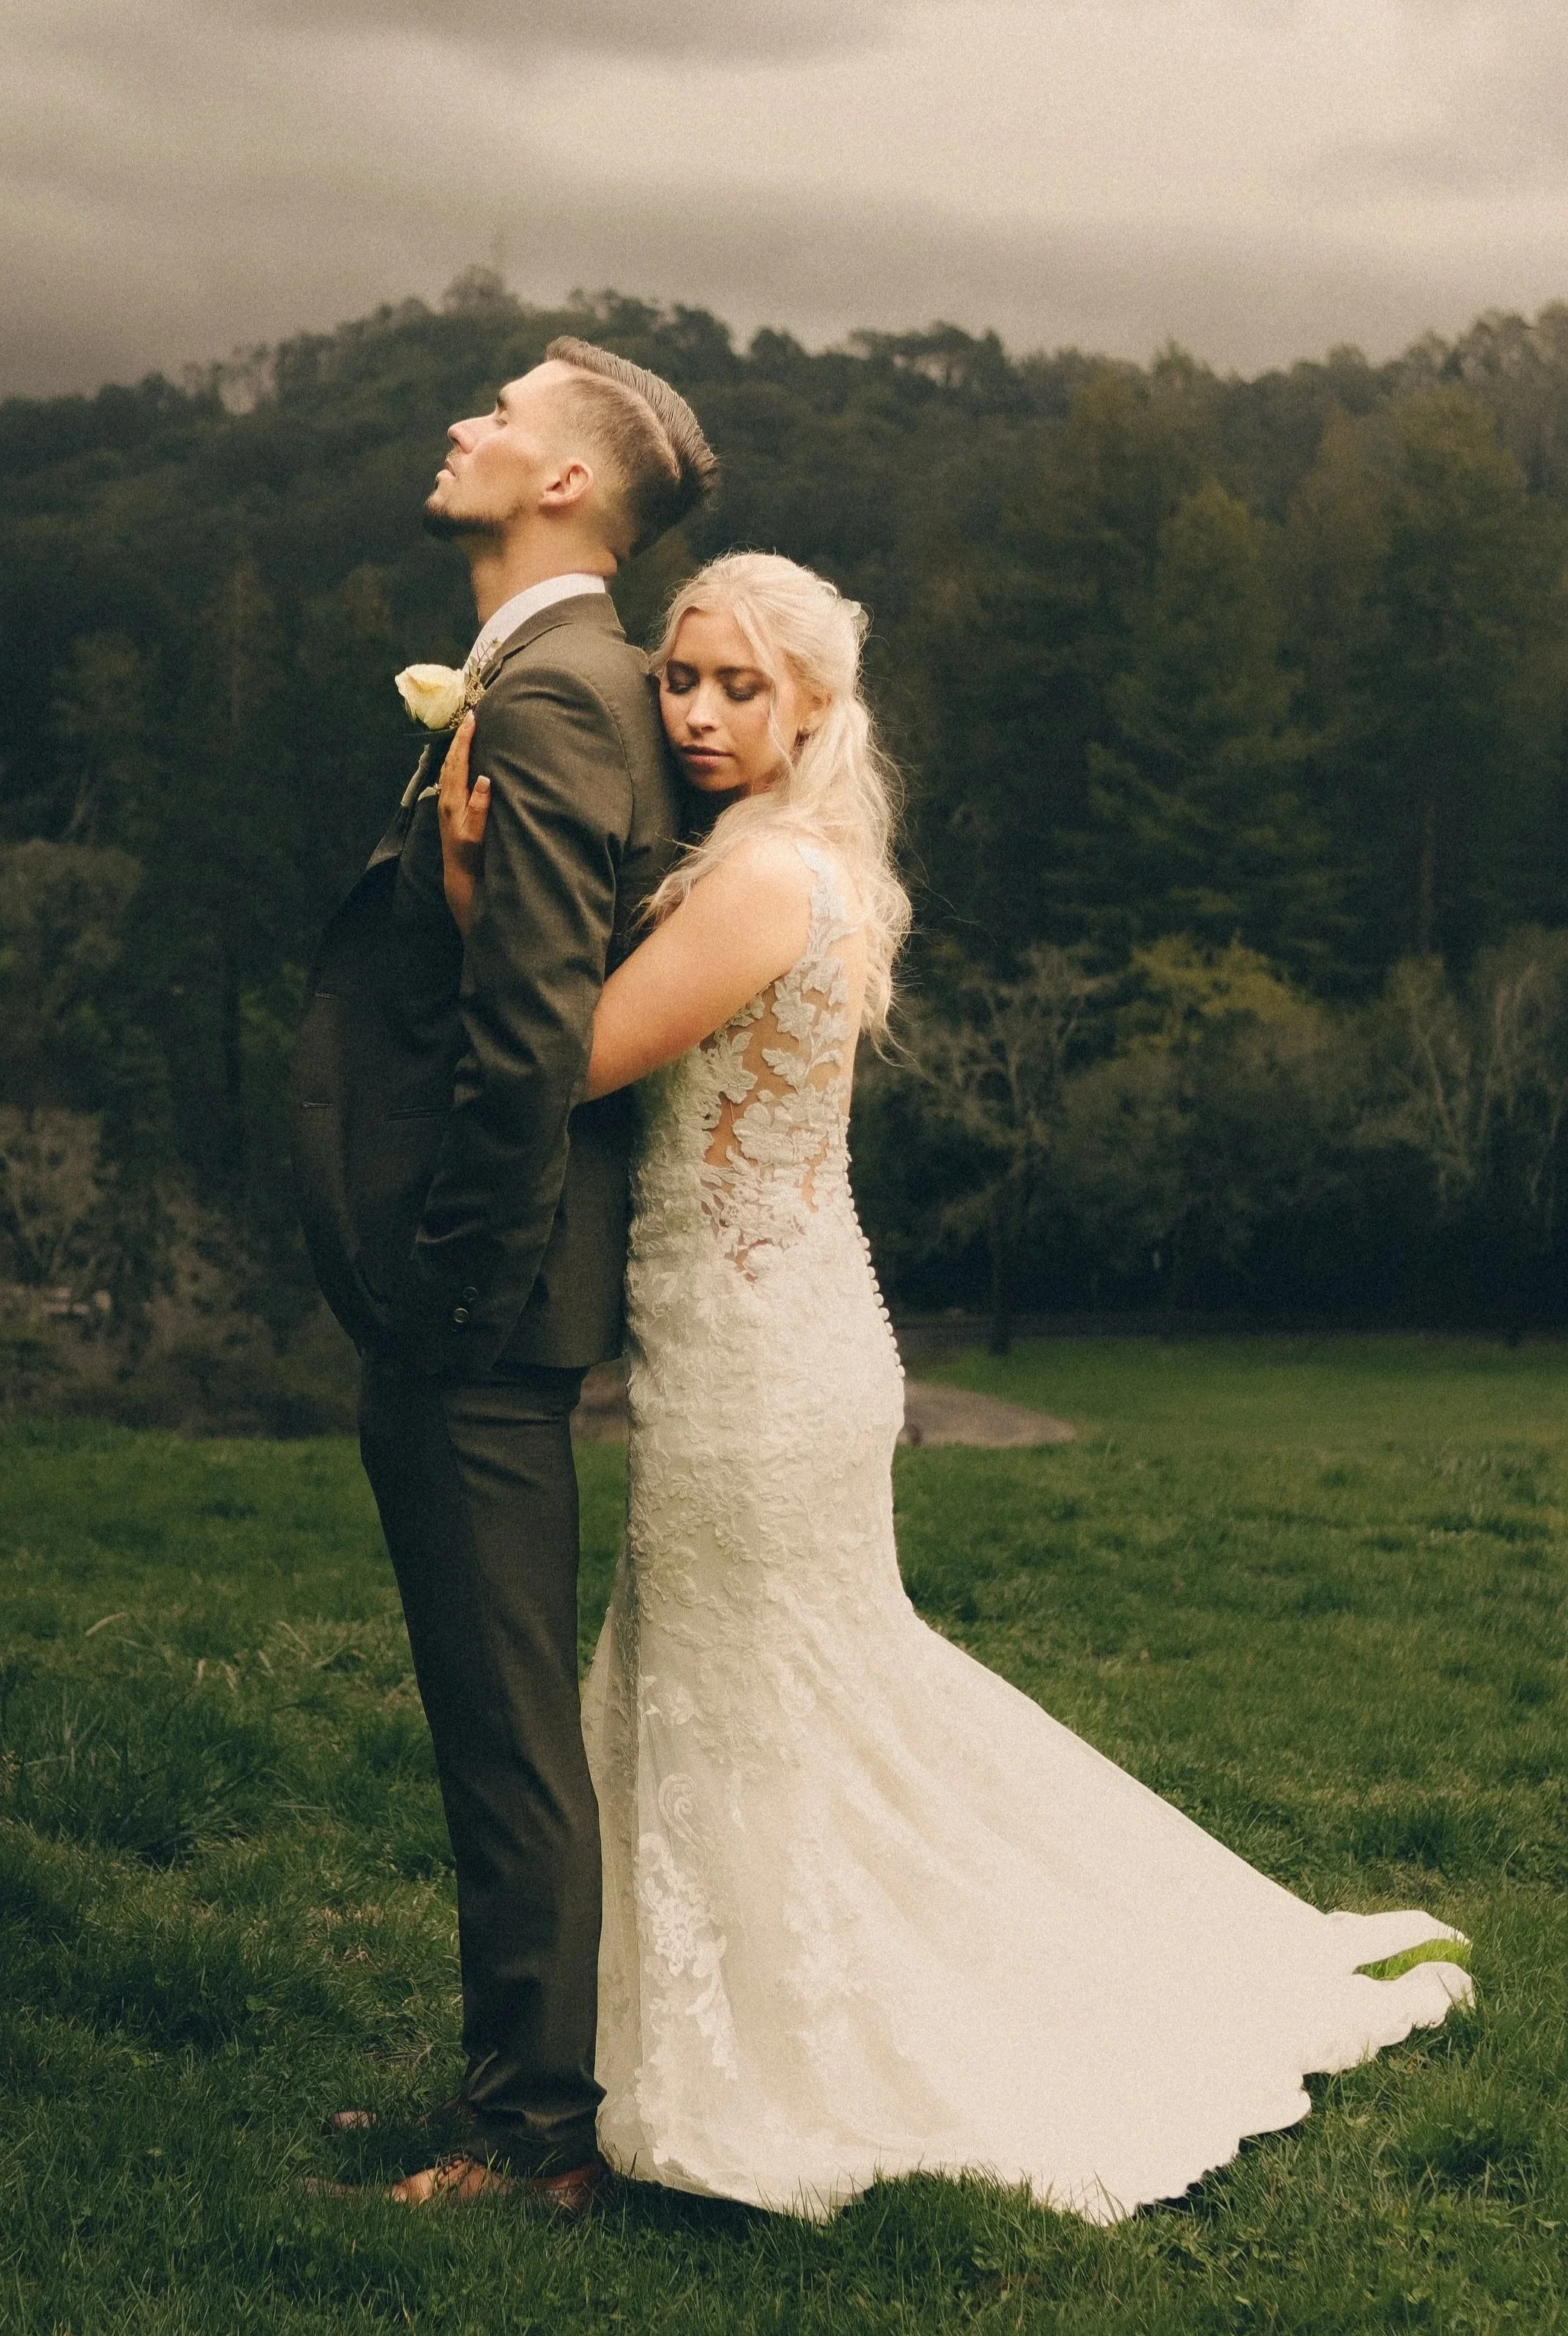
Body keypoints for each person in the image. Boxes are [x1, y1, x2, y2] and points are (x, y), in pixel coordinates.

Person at [434, 549, 1473, 2224]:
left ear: (813, 710)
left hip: (760, 1358)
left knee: (750, 1696)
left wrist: (470, 879)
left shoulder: (767, 878)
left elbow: (571, 1062)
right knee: (767, 1684)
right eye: (678, 679)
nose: (693, 712)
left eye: (735, 687)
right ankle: (646, 2042)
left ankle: (775, 2055)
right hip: (763, 1334)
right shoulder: (788, 858)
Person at [291, 338, 716, 2215]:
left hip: (479, 1305)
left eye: (499, 415)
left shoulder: (550, 698)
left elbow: (531, 1033)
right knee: (498, 1711)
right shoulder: (570, 679)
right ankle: (506, 2080)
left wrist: (445, 1293)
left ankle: (533, 2134)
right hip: (488, 1296)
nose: (461, 423)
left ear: (561, 488)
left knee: (503, 1725)